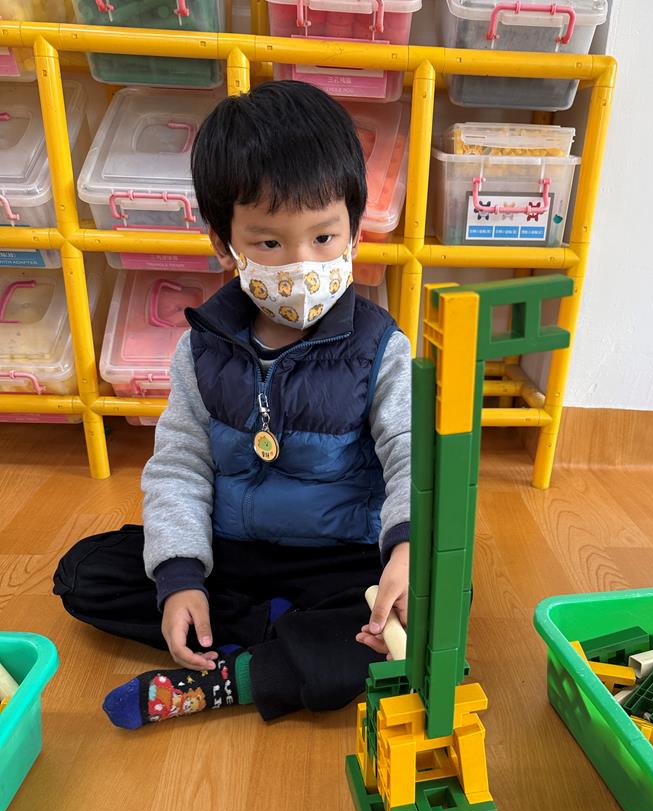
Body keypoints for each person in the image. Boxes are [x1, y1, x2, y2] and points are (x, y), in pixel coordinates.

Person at [53, 80, 411, 728]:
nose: (301, 264)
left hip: (338, 558)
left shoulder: (379, 347)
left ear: (355, 230)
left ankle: (233, 676)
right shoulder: (200, 349)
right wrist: (180, 577)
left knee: (431, 603)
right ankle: (272, 631)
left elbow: (412, 454)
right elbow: (179, 465)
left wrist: (407, 547)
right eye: (269, 244)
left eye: (324, 237)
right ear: (224, 244)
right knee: (85, 573)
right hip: (234, 554)